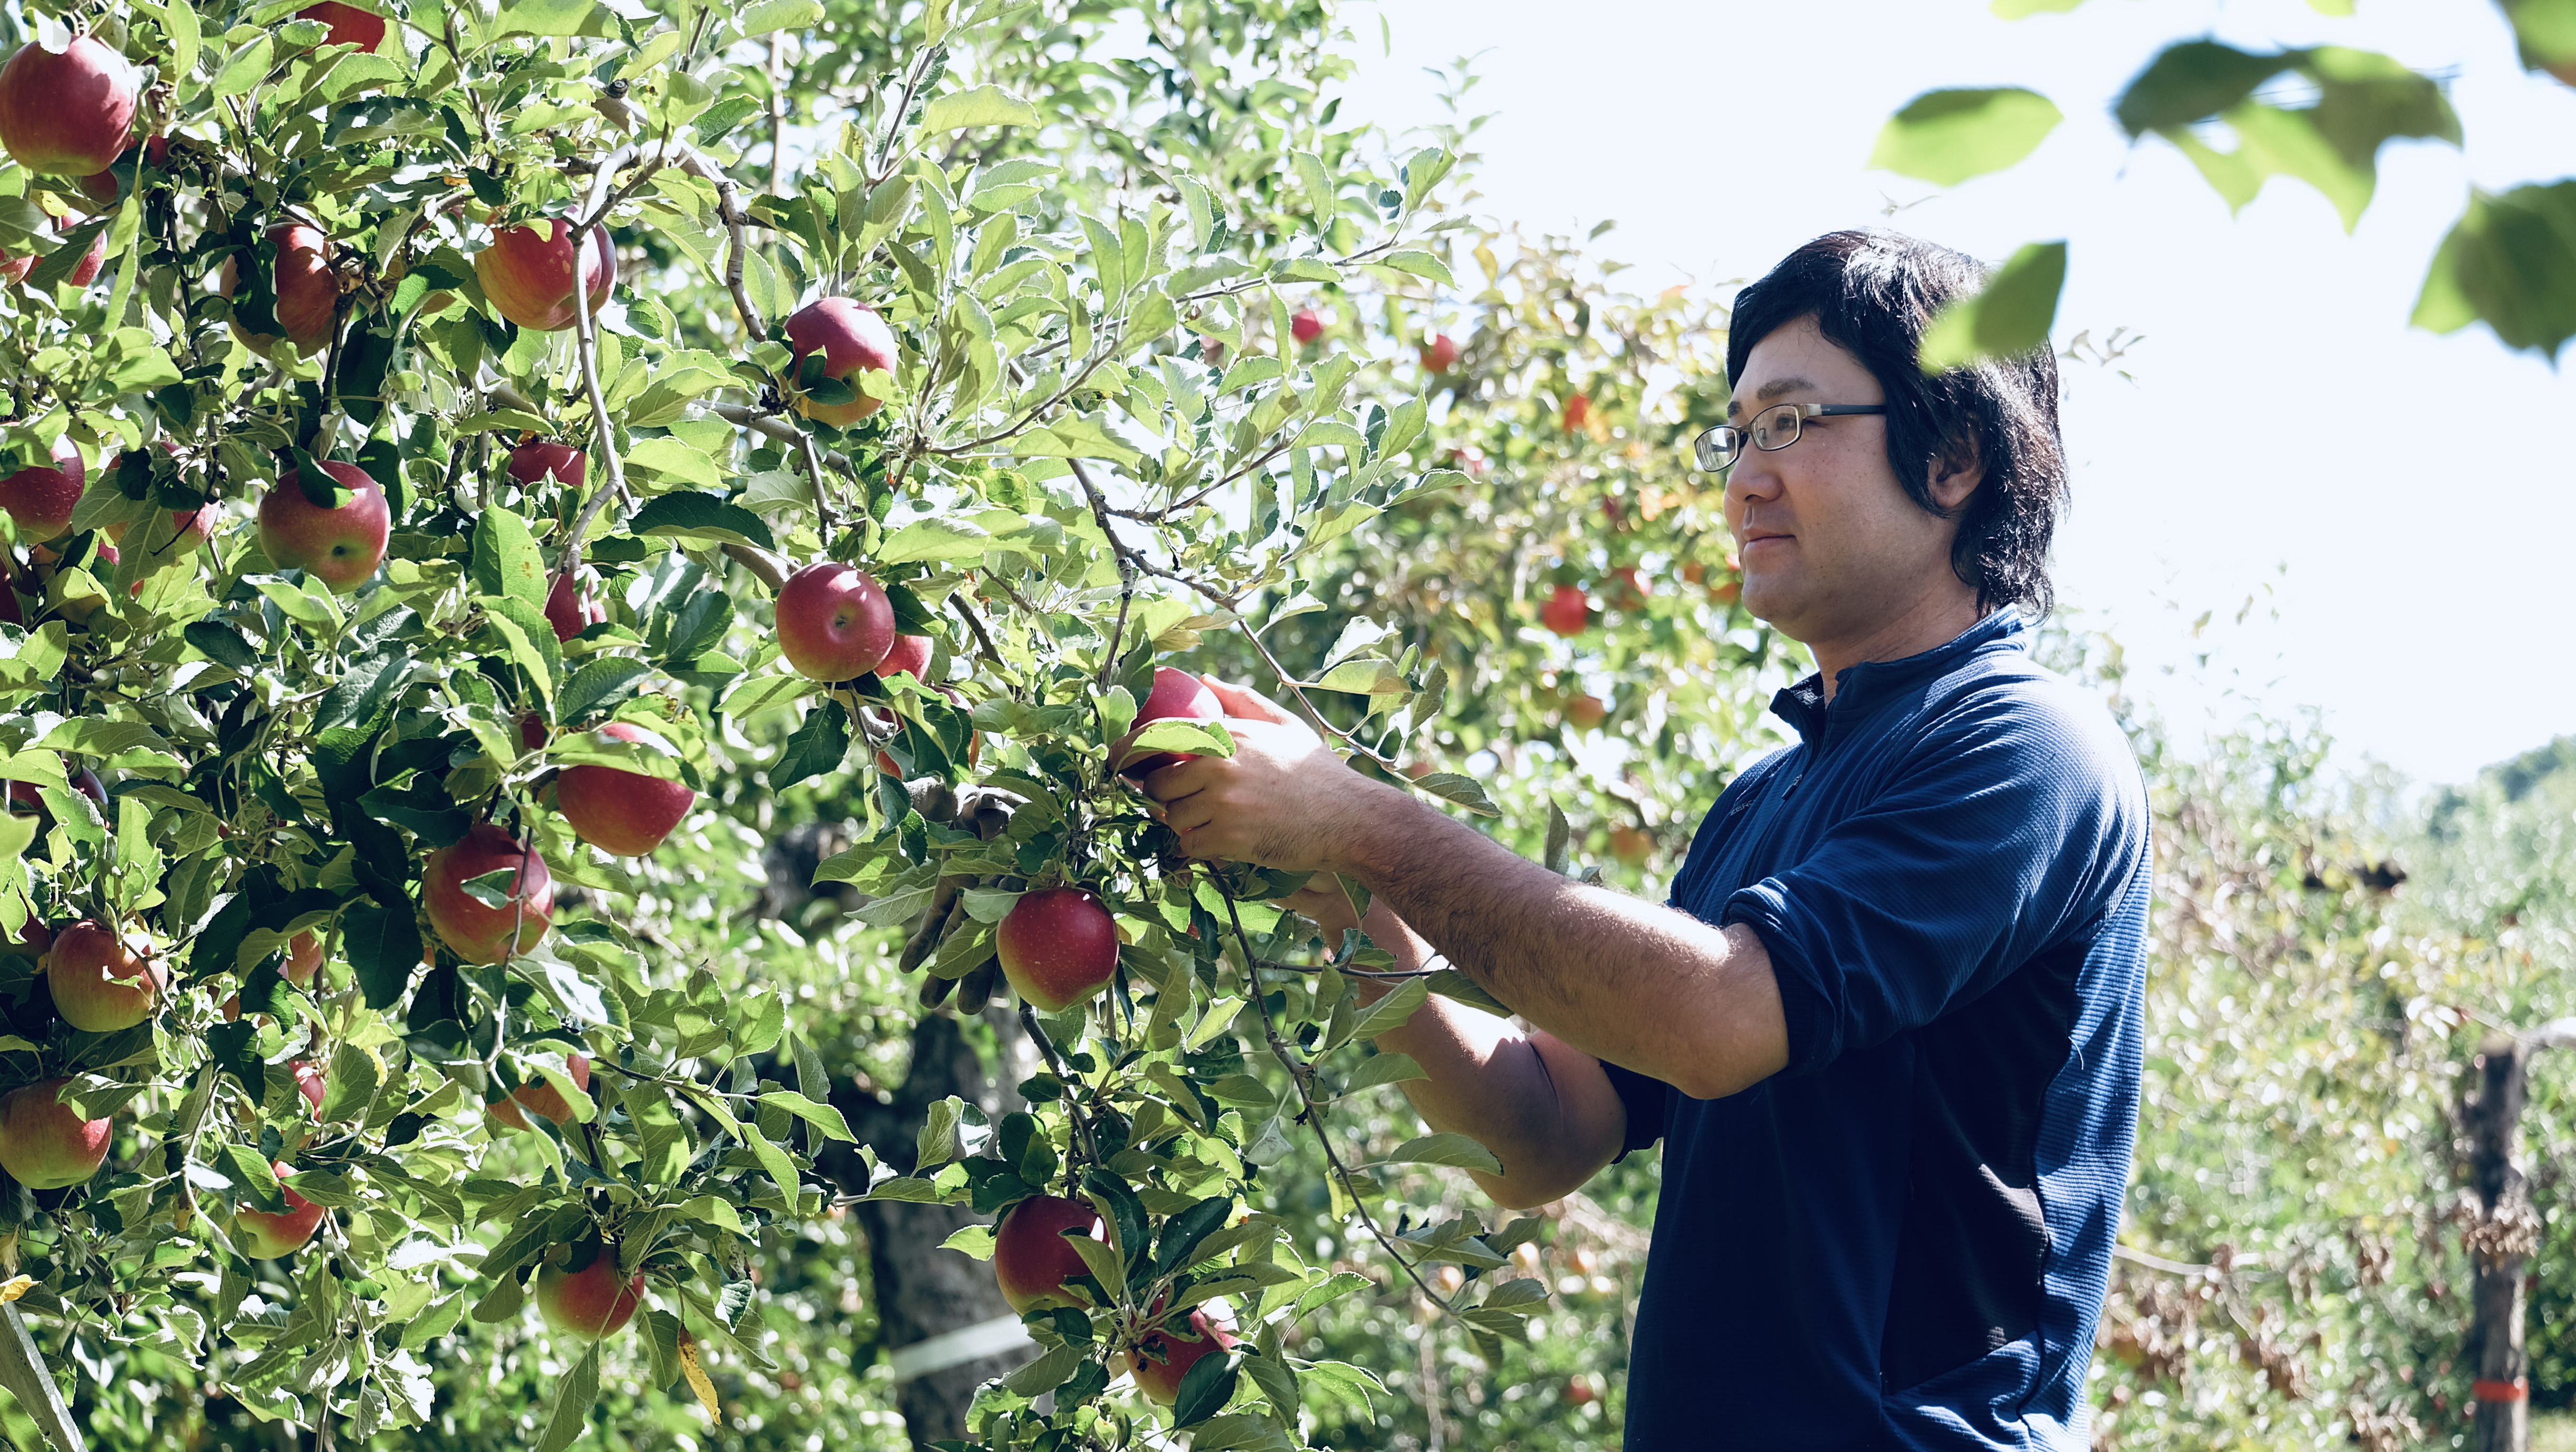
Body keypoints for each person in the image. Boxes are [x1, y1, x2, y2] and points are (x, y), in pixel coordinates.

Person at [1140, 229, 2150, 1450]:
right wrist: (1340, 886)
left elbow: (1718, 1022)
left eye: (1790, 424)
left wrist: (1363, 813)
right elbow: (1534, 1135)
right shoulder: (1764, 807)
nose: (1742, 479)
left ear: (1951, 458)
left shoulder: (2029, 750)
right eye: (1736, 435)